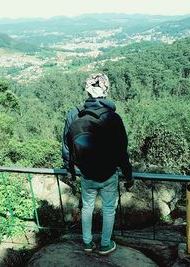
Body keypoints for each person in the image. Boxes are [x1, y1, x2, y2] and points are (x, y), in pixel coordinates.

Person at [62, 73, 133, 255]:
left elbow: (67, 146)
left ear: (87, 90)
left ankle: (87, 242)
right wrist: (129, 175)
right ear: (106, 90)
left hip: (86, 173)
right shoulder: (113, 117)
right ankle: (105, 245)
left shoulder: (74, 114)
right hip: (109, 174)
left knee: (87, 207)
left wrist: (69, 170)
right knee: (109, 209)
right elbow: (121, 151)